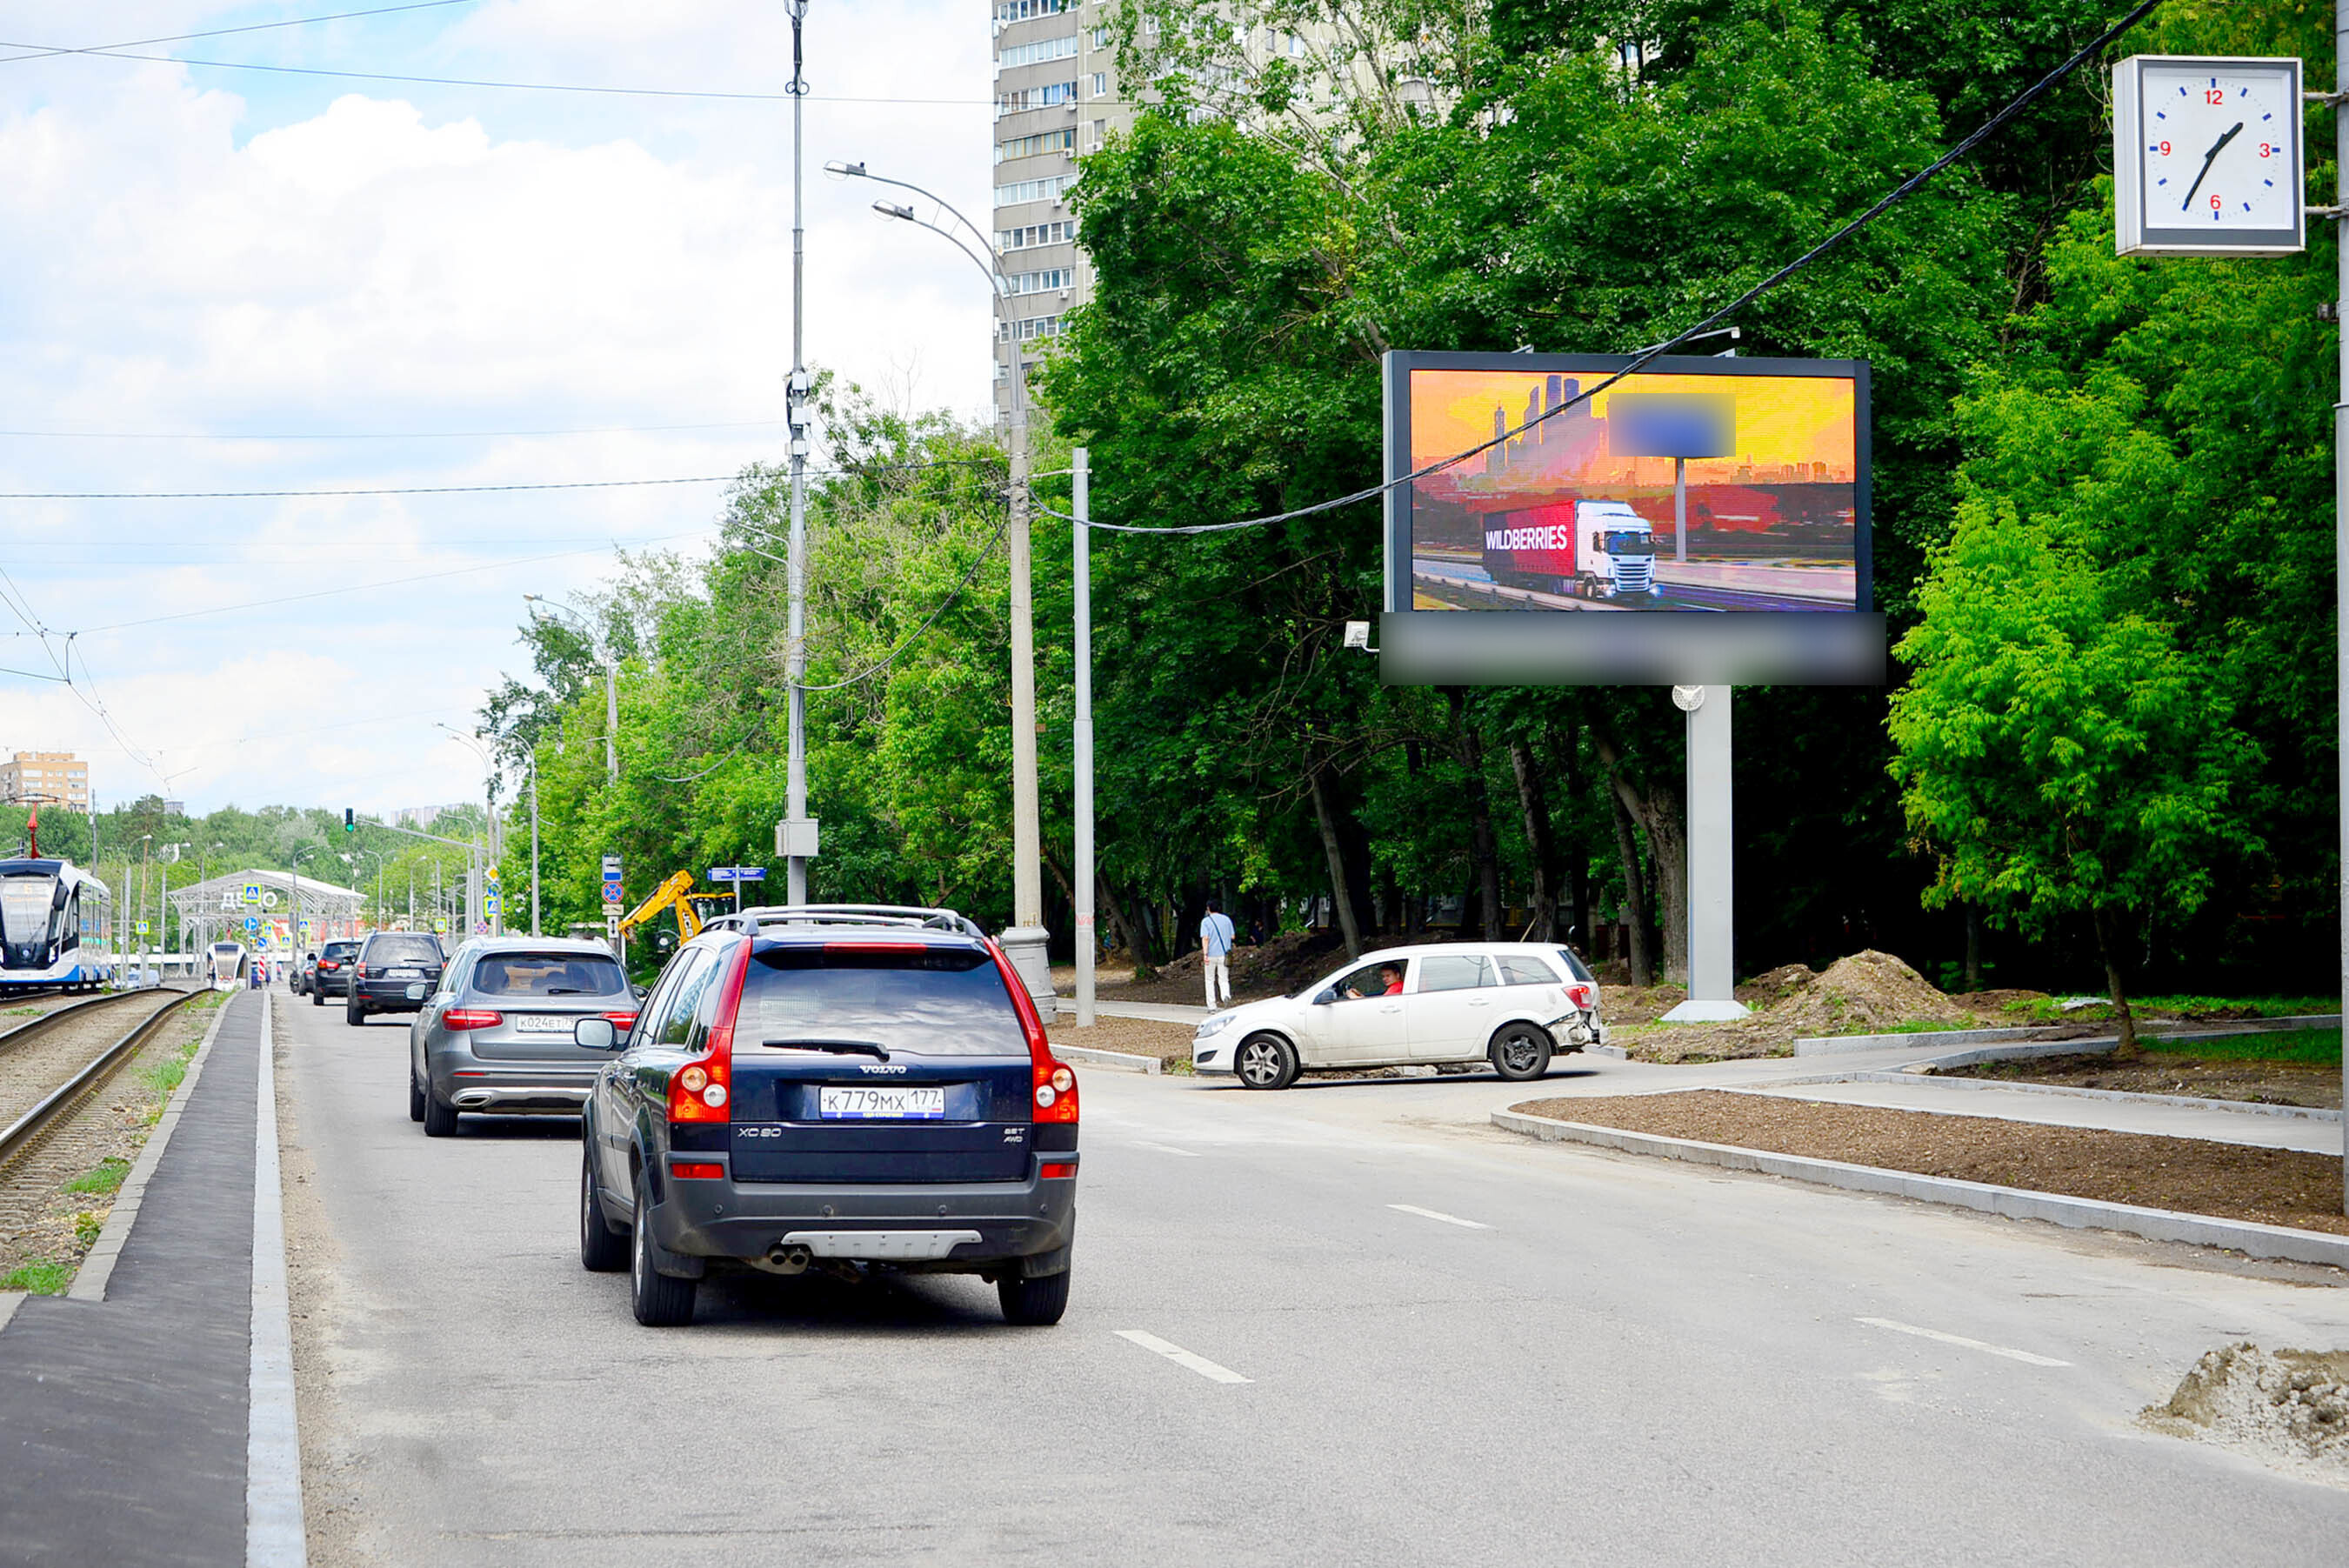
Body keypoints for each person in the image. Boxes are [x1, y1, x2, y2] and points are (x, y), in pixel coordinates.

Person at [1198, 897, 1236, 1009]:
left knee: (1209, 980)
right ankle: (1226, 996)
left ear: (1208, 908)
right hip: (1224, 954)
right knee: (1224, 979)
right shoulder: (1227, 920)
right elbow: (1232, 936)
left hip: (1210, 955)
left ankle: (1212, 1006)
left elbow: (1205, 938)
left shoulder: (1206, 921)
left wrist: (1205, 954)